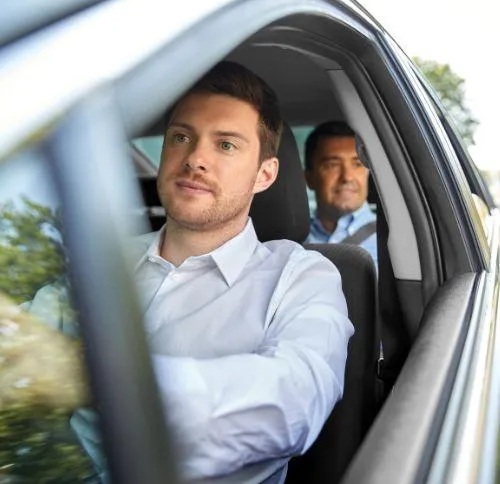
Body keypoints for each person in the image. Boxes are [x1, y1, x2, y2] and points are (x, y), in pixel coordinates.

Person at [4, 62, 353, 484]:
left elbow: (294, 403)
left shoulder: (302, 277)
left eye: (226, 145)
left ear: (264, 175)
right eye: (182, 137)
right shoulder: (102, 259)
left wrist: (98, 376)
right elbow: (20, 338)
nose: (196, 159)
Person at [304, 121, 377, 266]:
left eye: (357, 164)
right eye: (332, 165)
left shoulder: (392, 239)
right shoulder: (289, 243)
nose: (347, 177)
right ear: (309, 178)